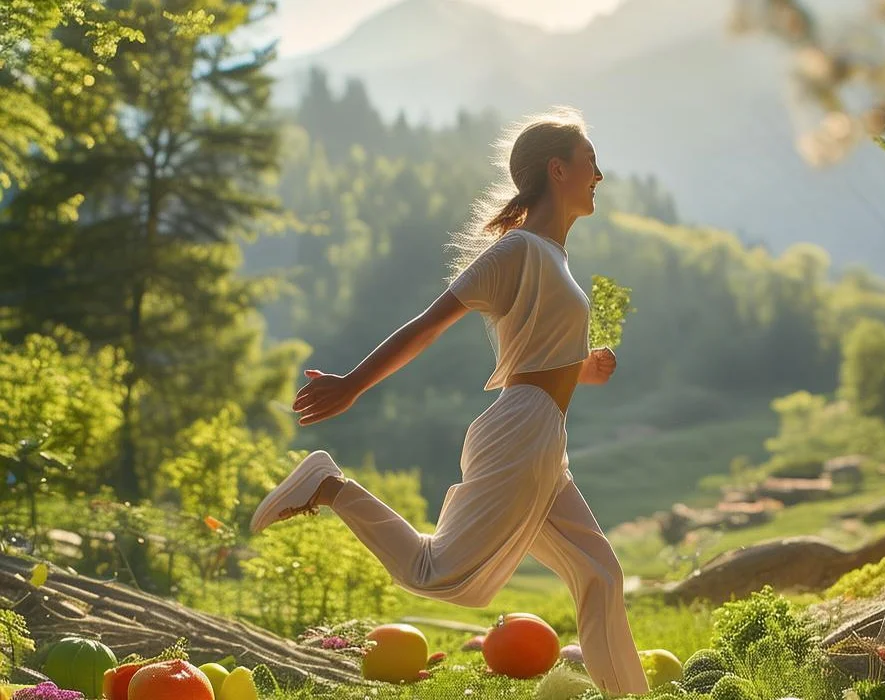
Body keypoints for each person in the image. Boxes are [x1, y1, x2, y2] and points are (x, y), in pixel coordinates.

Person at [250, 106, 650, 697]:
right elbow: (427, 326)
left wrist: (584, 368)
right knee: (439, 576)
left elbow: (535, 355)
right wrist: (352, 384)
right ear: (558, 170)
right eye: (592, 162)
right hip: (521, 436)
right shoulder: (517, 251)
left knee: (600, 574)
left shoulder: (553, 257)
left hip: (541, 433)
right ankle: (328, 485)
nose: (601, 175)